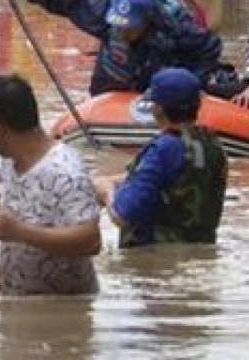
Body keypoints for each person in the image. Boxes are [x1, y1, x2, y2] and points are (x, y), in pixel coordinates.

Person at [0, 74, 101, 295]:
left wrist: (18, 232)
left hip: (64, 311)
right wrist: (5, 261)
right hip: (21, 305)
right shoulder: (9, 163)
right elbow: (25, 222)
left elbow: (90, 240)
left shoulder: (65, 171)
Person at [0, 0, 221, 96]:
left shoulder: (175, 28)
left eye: (130, 27)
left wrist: (191, 82)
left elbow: (211, 47)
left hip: (153, 85)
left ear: (147, 20)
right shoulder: (103, 7)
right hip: (111, 83)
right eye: (119, 26)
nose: (123, 32)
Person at [96, 68, 228, 248]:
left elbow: (122, 215)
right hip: (200, 251)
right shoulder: (213, 146)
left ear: (157, 109)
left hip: (153, 261)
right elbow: (173, 179)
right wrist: (116, 180)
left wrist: (106, 191)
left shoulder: (164, 149)